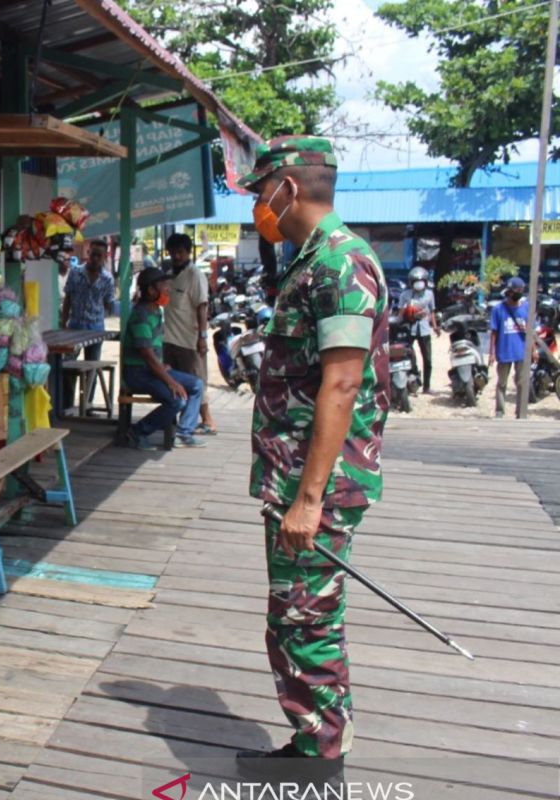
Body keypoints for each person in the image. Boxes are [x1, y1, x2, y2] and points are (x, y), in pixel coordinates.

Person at [237, 136, 389, 778]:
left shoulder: (339, 264)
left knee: (308, 621)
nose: (257, 208)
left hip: (315, 486)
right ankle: (308, 746)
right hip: (297, 476)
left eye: (260, 193)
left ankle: (320, 770)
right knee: (296, 618)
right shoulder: (313, 260)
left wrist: (308, 498)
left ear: (289, 188)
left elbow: (343, 384)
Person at [120, 266, 206, 450]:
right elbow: (147, 355)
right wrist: (171, 381)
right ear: (151, 290)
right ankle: (137, 432)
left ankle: (184, 433)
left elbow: (153, 357)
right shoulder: (141, 314)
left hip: (152, 370)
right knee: (176, 400)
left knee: (197, 385)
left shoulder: (156, 311)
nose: (168, 289)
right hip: (137, 373)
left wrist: (163, 367)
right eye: (164, 285)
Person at [162, 232, 218, 435]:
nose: (176, 256)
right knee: (174, 384)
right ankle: (181, 422)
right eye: (172, 252)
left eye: (180, 252)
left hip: (190, 341)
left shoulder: (195, 275)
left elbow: (202, 308)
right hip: (169, 340)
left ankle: (208, 421)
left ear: (188, 253)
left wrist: (203, 338)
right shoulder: (170, 275)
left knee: (197, 382)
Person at [60, 239, 116, 410]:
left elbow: (108, 304)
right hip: (75, 327)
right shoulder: (75, 273)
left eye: (99, 256)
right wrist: (64, 322)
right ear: (88, 254)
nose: (95, 259)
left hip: (96, 329)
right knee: (68, 367)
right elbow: (68, 298)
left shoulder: (108, 279)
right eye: (93, 254)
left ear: (105, 257)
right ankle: (67, 404)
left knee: (92, 368)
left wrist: (99, 314)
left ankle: (87, 407)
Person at [489, 276, 534, 418]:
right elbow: (494, 333)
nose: (517, 293)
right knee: (502, 383)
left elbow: (530, 331)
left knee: (521, 383)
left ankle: (520, 412)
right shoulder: (498, 309)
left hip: (521, 351)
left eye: (520, 290)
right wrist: (492, 353)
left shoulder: (526, 308)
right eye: (515, 290)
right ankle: (500, 411)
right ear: (509, 291)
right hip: (504, 351)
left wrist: (534, 349)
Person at [398, 266, 440, 392]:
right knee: (407, 355)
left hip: (424, 329)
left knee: (427, 359)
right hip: (409, 329)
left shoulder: (429, 294)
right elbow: (400, 313)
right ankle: (411, 381)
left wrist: (435, 326)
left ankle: (427, 386)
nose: (419, 284)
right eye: (416, 282)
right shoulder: (405, 294)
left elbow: (432, 311)